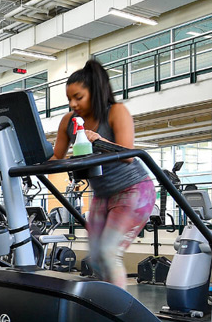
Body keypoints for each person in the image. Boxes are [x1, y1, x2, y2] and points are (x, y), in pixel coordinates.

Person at [51, 59, 153, 289]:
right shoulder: (68, 121)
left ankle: (118, 314)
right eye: (69, 99)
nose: (73, 104)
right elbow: (56, 157)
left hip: (134, 190)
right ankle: (104, 307)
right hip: (102, 194)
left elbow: (128, 155)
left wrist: (98, 139)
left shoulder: (116, 112)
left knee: (108, 253)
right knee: (96, 258)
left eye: (79, 97)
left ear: (94, 92)